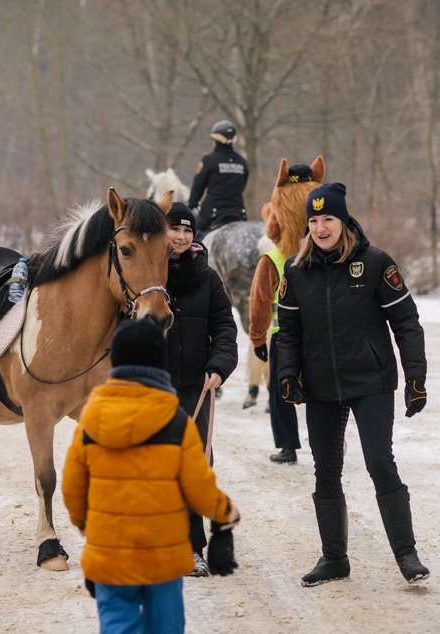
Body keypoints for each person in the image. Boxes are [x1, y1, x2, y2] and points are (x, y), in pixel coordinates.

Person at [276, 182, 431, 586]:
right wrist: (288, 374)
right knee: (325, 471)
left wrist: (416, 377)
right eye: (313, 220)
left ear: (344, 221)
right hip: (322, 385)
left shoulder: (376, 263)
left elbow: (406, 322)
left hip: (371, 380)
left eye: (328, 219)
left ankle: (406, 554)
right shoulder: (295, 271)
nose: (321, 228)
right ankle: (334, 559)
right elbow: (287, 332)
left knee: (380, 461)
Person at [62, 319, 240, 634]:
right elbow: (199, 484)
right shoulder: (175, 421)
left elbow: (73, 485)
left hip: (110, 555)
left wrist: (85, 525)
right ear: (161, 364)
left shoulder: (91, 419)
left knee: (118, 623)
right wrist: (223, 518)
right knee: (166, 626)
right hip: (163, 556)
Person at [163, 203, 238, 577]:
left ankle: (192, 548)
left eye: (187, 230)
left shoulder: (207, 279)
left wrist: (218, 366)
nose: (180, 236)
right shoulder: (146, 273)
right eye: (173, 228)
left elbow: (225, 327)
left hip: (196, 386)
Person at [249, 164, 315, 465]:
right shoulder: (323, 256)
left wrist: (257, 337)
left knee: (280, 392)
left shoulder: (272, 259)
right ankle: (329, 441)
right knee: (322, 391)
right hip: (318, 334)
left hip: (281, 337)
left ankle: (288, 446)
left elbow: (260, 303)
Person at [187, 120, 249, 238]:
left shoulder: (209, 160)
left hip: (213, 212)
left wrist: (191, 204)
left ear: (216, 139)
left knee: (191, 237)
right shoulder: (242, 162)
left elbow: (198, 186)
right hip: (238, 211)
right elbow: (242, 186)